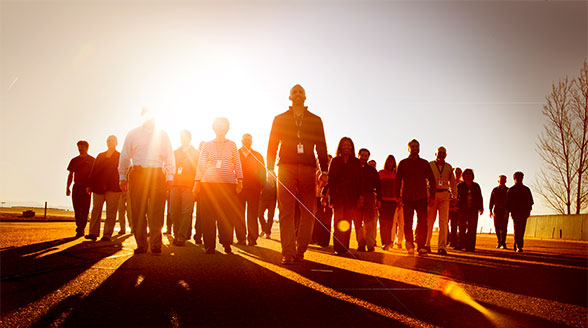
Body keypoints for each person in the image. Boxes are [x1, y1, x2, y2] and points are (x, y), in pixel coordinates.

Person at [267, 84, 329, 265]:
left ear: (305, 96)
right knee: (286, 210)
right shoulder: (280, 119)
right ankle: (288, 251)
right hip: (285, 167)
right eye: (294, 92)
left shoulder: (315, 120)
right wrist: (269, 168)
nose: (298, 94)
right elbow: (272, 144)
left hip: (309, 168)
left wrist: (324, 170)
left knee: (309, 211)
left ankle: (300, 249)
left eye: (301, 92)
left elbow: (322, 145)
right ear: (289, 97)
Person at [119, 108, 175, 254]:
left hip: (157, 173)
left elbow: (169, 156)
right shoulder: (133, 134)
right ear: (142, 117)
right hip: (138, 173)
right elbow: (125, 156)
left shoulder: (163, 135)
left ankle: (156, 244)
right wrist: (122, 177)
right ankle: (141, 244)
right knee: (138, 210)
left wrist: (170, 176)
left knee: (157, 210)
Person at [193, 117, 243, 255]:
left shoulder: (232, 145)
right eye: (218, 126)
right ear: (213, 128)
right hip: (208, 184)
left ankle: (226, 243)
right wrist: (196, 183)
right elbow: (201, 165)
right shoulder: (207, 145)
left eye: (224, 126)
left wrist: (240, 181)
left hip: (228, 185)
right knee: (208, 216)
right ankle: (209, 245)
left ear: (228, 128)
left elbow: (237, 164)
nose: (221, 128)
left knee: (226, 216)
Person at [395, 139, 436, 256]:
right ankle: (409, 246)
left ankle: (421, 246)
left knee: (423, 222)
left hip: (422, 196)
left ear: (419, 148)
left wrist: (432, 196)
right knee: (408, 222)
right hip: (407, 197)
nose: (414, 148)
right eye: (412, 146)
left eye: (417, 146)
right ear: (408, 149)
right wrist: (397, 196)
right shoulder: (403, 163)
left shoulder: (424, 163)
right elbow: (397, 181)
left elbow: (432, 180)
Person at [326, 137, 362, 256]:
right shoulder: (335, 161)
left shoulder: (356, 162)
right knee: (337, 221)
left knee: (347, 222)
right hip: (338, 195)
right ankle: (337, 247)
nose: (347, 147)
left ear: (352, 147)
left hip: (352, 196)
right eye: (344, 145)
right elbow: (331, 179)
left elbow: (359, 180)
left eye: (349, 145)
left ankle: (344, 247)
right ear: (340, 147)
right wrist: (330, 195)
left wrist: (360, 196)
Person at [86, 135, 122, 241]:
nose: (109, 142)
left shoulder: (120, 156)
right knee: (96, 209)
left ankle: (107, 234)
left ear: (116, 143)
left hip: (114, 187)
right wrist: (89, 185)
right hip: (98, 187)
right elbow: (93, 170)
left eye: (112, 140)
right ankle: (93, 233)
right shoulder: (100, 155)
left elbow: (124, 170)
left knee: (111, 212)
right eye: (108, 140)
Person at [169, 130, 199, 246]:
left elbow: (198, 170)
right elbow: (169, 167)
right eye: (181, 136)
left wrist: (197, 186)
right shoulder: (174, 152)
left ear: (189, 138)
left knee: (186, 212)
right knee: (173, 211)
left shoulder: (196, 153)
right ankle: (176, 234)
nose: (182, 138)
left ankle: (181, 236)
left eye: (185, 137)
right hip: (175, 185)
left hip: (189, 186)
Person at [425, 146, 457, 255]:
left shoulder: (448, 167)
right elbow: (424, 179)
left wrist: (455, 196)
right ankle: (427, 244)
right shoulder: (430, 165)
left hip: (444, 194)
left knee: (443, 222)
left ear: (446, 155)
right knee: (429, 221)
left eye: (443, 153)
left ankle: (442, 247)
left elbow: (453, 183)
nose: (441, 154)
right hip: (432, 194)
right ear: (435, 154)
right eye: (439, 152)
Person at [238, 133, 266, 246]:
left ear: (252, 141)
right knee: (239, 214)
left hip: (254, 189)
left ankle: (252, 239)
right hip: (239, 189)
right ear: (241, 140)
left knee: (252, 215)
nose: (247, 141)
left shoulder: (258, 155)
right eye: (245, 139)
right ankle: (241, 239)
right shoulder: (235, 154)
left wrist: (261, 186)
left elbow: (262, 172)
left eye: (249, 140)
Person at [66, 140, 95, 237]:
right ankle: (79, 226)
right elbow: (70, 174)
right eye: (79, 147)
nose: (80, 148)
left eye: (82, 146)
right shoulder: (74, 160)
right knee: (77, 208)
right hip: (76, 186)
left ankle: (81, 227)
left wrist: (91, 186)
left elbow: (95, 175)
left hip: (87, 187)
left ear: (87, 147)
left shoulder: (92, 160)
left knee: (85, 209)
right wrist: (68, 187)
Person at [357, 148, 381, 252]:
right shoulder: (354, 168)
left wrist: (379, 199)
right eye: (362, 155)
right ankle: (361, 244)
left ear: (368, 157)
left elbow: (379, 186)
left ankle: (370, 244)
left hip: (369, 198)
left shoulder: (372, 170)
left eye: (366, 156)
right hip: (356, 197)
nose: (363, 157)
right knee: (358, 223)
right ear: (359, 155)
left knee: (369, 222)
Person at [456, 169, 483, 252]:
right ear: (463, 176)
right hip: (462, 209)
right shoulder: (460, 186)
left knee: (472, 228)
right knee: (462, 228)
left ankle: (470, 247)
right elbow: (456, 197)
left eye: (470, 174)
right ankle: (461, 244)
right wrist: (455, 206)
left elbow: (479, 197)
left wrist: (481, 208)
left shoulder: (476, 186)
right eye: (466, 174)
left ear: (472, 176)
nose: (468, 175)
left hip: (473, 209)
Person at [506, 171, 533, 253]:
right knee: (517, 229)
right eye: (517, 178)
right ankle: (518, 245)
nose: (519, 179)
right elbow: (507, 203)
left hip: (523, 212)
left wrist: (529, 211)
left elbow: (530, 202)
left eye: (520, 178)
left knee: (522, 229)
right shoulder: (511, 190)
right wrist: (507, 212)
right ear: (514, 179)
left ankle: (518, 244)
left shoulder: (526, 189)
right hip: (515, 212)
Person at [379, 155, 400, 250]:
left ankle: (390, 241)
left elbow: (398, 189)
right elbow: (378, 188)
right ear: (386, 162)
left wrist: (398, 200)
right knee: (383, 223)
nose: (390, 163)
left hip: (392, 202)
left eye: (392, 161)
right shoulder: (381, 173)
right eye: (388, 161)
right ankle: (384, 242)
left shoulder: (396, 175)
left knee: (391, 223)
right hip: (383, 201)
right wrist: (378, 200)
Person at [312, 155, 333, 247]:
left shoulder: (331, 173)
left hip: (327, 197)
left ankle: (324, 240)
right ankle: (315, 238)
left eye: (328, 161)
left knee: (327, 219)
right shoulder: (315, 172)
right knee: (317, 219)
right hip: (316, 197)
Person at [489, 175, 509, 249]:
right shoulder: (495, 190)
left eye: (504, 180)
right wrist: (490, 211)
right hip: (496, 211)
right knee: (497, 227)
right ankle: (499, 242)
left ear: (505, 181)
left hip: (505, 211)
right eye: (501, 180)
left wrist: (507, 211)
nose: (502, 181)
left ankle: (503, 243)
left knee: (504, 227)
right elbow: (491, 201)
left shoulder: (508, 190)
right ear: (498, 181)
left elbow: (509, 202)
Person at [258, 175, 277, 239]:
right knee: (260, 214)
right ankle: (265, 229)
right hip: (263, 201)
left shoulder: (276, 183)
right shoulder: (264, 182)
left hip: (272, 201)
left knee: (270, 217)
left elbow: (277, 193)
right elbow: (260, 190)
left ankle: (267, 233)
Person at [449, 167, 462, 248]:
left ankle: (454, 241)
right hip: (448, 206)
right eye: (456, 172)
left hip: (457, 207)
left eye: (459, 172)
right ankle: (448, 239)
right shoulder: (449, 183)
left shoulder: (462, 183)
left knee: (454, 225)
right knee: (445, 224)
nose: (457, 174)